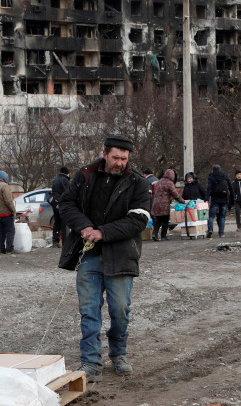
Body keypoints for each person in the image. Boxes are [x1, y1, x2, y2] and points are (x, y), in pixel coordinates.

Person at [57, 134, 151, 383]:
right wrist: (84, 226)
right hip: (88, 255)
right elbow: (66, 205)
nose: (120, 162)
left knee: (120, 310)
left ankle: (118, 353)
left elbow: (138, 220)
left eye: (124, 158)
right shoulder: (85, 175)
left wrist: (103, 232)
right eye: (115, 157)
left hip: (121, 255)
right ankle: (90, 361)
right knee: (89, 311)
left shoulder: (138, 183)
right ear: (105, 153)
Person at [149, 169, 185, 241]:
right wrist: (183, 201)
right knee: (165, 220)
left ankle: (154, 234)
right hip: (164, 205)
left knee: (158, 220)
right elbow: (175, 194)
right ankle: (163, 236)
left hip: (156, 203)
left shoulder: (159, 181)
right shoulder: (169, 183)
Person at [0, 170, 16, 253]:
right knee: (10, 230)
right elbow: (8, 201)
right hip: (6, 213)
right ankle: (9, 248)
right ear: (5, 178)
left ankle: (0, 248)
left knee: (1, 232)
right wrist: (13, 211)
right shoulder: (5, 186)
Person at [206, 164, 232, 238]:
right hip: (224, 199)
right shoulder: (225, 176)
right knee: (222, 217)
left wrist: (206, 199)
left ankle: (210, 229)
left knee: (211, 216)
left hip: (215, 199)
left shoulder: (211, 177)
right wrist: (231, 201)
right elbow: (231, 188)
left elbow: (209, 189)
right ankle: (221, 233)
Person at [49, 166, 71, 247]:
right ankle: (65, 242)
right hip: (62, 204)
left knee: (57, 222)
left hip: (55, 204)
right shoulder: (64, 180)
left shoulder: (55, 180)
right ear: (67, 173)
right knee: (64, 223)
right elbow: (68, 193)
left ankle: (55, 241)